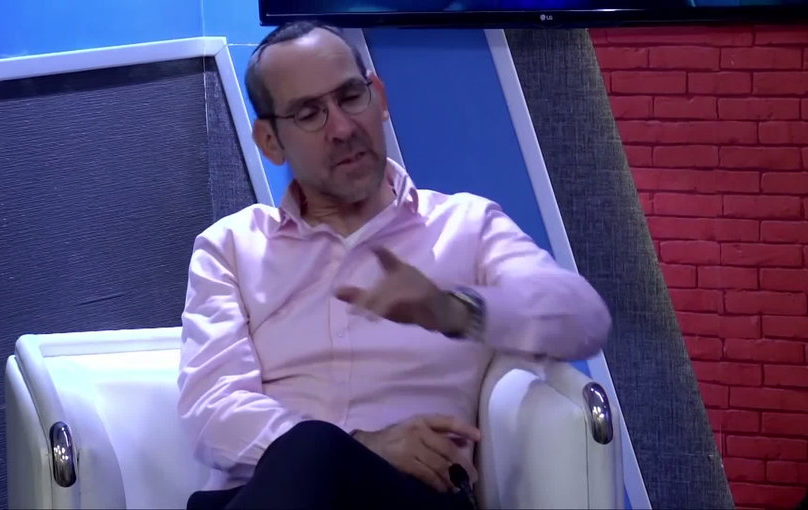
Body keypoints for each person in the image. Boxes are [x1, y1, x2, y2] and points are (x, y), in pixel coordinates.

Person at [177, 21, 612, 510]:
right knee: (312, 450)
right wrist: (361, 444)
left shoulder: (466, 226)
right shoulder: (231, 247)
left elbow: (584, 318)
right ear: (270, 141)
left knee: (314, 450)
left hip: (409, 496)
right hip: (261, 491)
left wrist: (454, 311)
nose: (343, 129)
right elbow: (211, 409)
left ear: (379, 98)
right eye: (309, 114)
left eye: (350, 97)